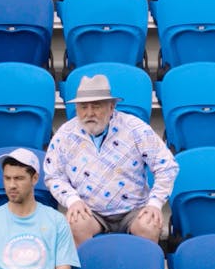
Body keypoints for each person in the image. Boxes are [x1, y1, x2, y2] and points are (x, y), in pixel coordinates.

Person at [44, 74, 179, 246]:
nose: (89, 113)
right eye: (83, 107)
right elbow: (53, 175)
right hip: (90, 211)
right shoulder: (65, 134)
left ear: (112, 106)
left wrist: (155, 203)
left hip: (134, 209)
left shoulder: (135, 128)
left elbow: (166, 166)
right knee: (76, 223)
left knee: (150, 225)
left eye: (96, 106)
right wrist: (72, 200)